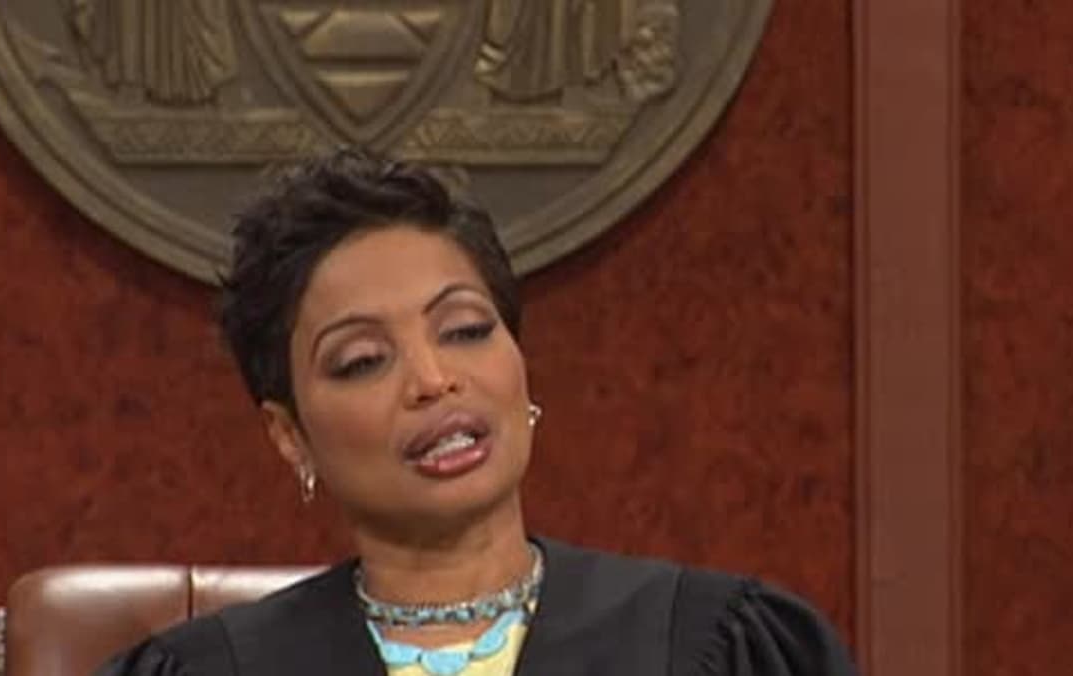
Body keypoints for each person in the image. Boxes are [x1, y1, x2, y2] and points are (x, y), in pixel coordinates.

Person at [96, 149, 857, 675]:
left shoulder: (721, 649)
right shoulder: (206, 671)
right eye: (363, 361)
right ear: (290, 435)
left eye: (464, 330)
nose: (434, 380)